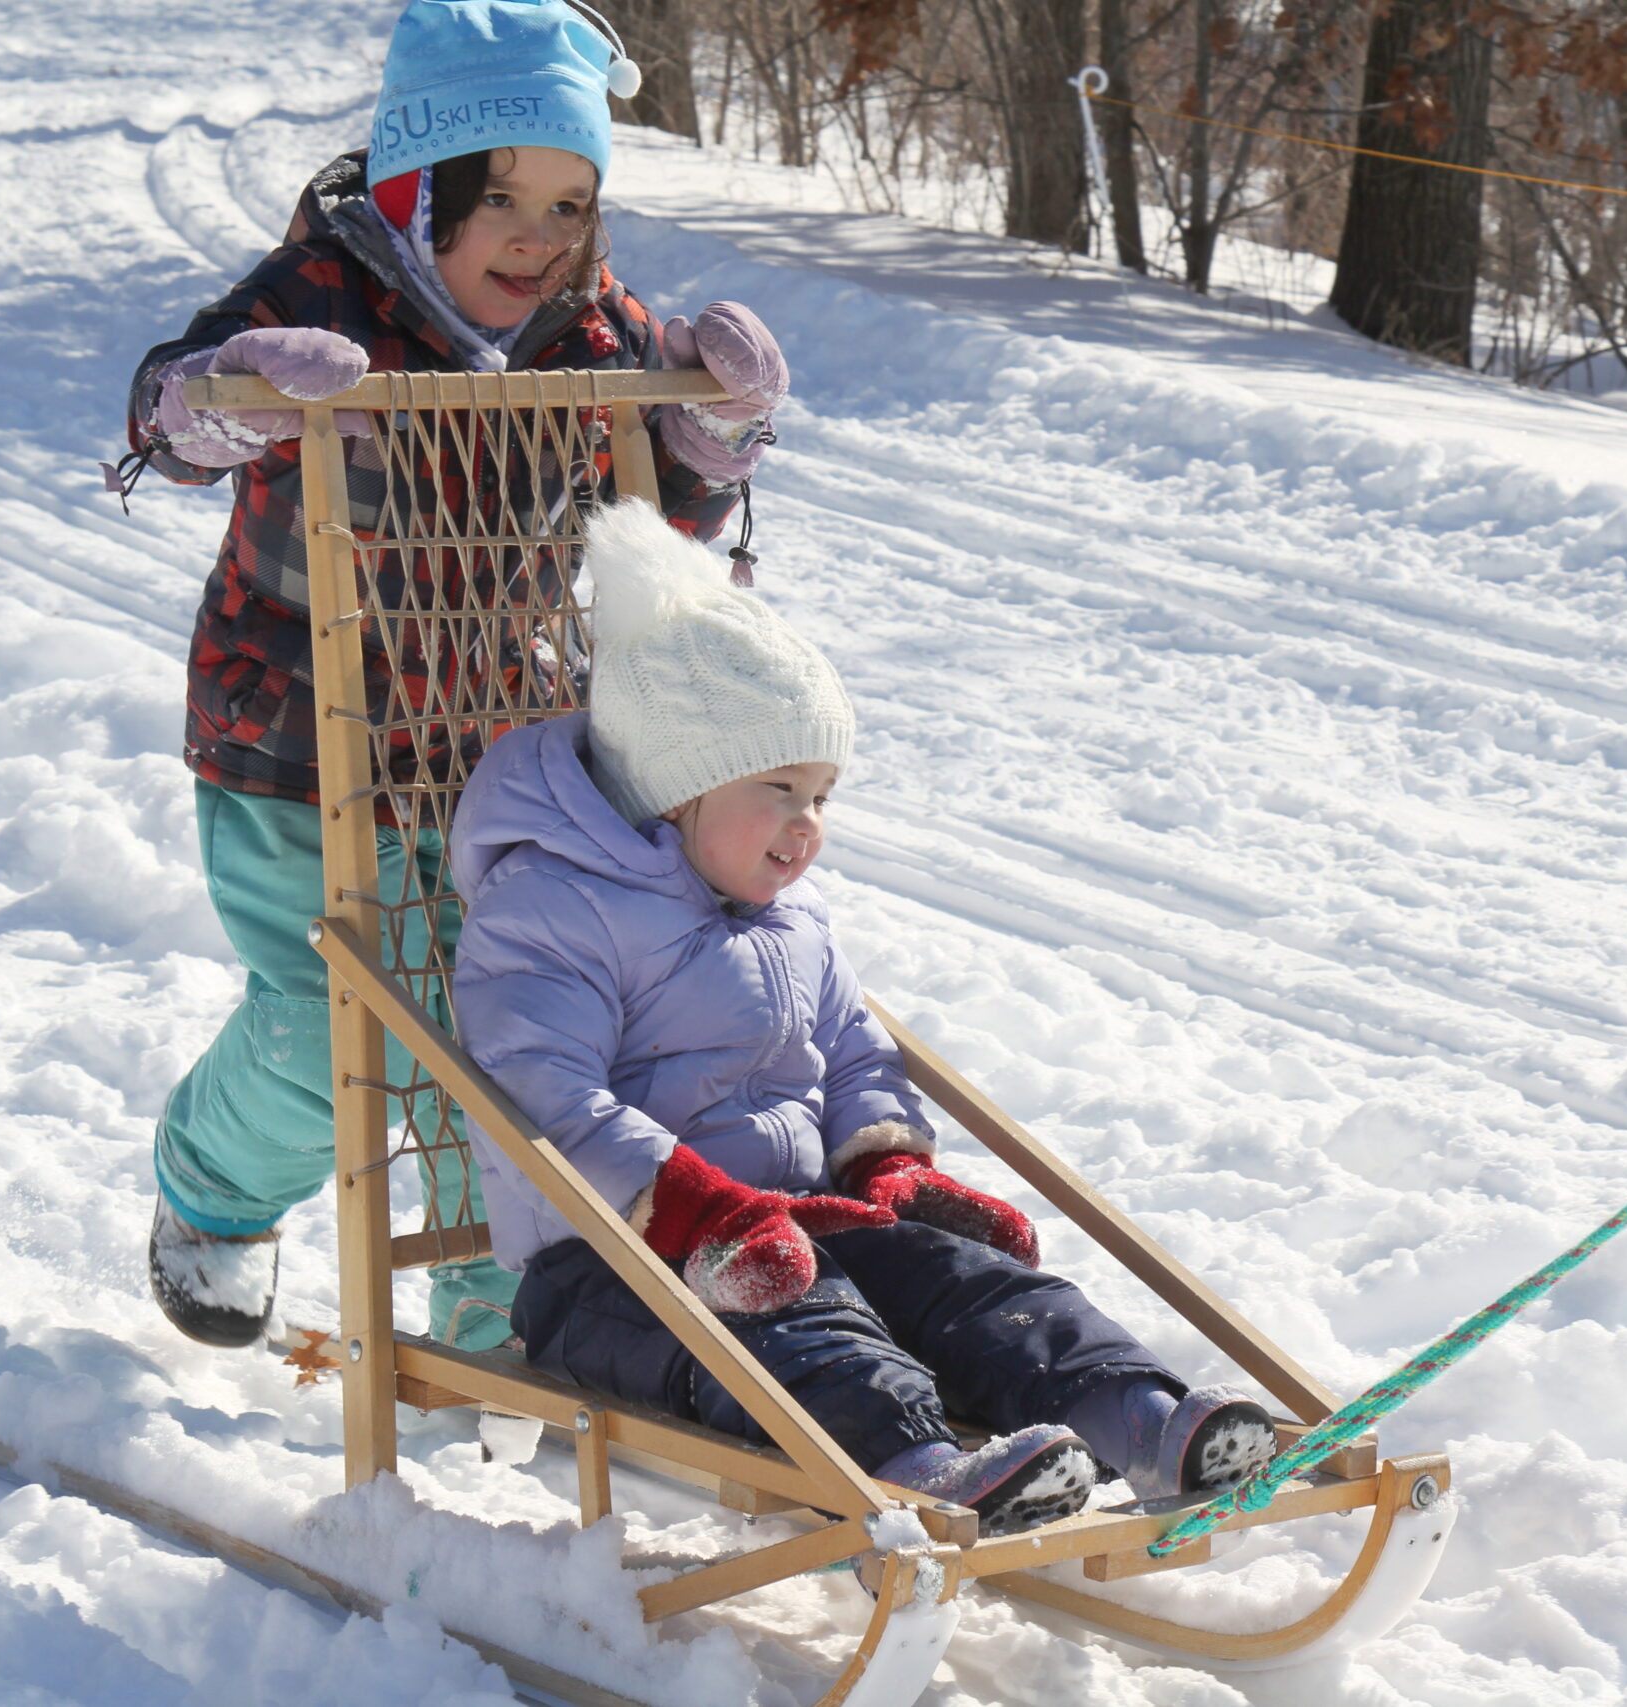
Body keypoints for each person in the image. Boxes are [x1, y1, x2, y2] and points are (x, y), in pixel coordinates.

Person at [117, 0, 784, 1353]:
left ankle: (504, 1328)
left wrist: (708, 437)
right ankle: (214, 1190)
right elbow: (164, 414)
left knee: (514, 1030)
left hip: (495, 748)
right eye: (502, 201)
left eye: (569, 204)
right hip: (293, 744)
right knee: (346, 1028)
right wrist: (222, 395)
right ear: (417, 190)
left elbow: (644, 526)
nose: (539, 238)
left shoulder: (593, 334)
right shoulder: (316, 293)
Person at [446, 500, 1281, 1534]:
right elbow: (541, 1098)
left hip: (793, 1222)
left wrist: (884, 1161)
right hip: (613, 1268)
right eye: (780, 788)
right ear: (675, 786)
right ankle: (919, 1470)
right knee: (804, 1326)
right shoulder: (552, 907)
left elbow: (850, 1053)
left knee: (964, 1285)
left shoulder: (791, 916)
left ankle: (1141, 1420)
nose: (808, 826)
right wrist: (699, 1209)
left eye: (824, 795)